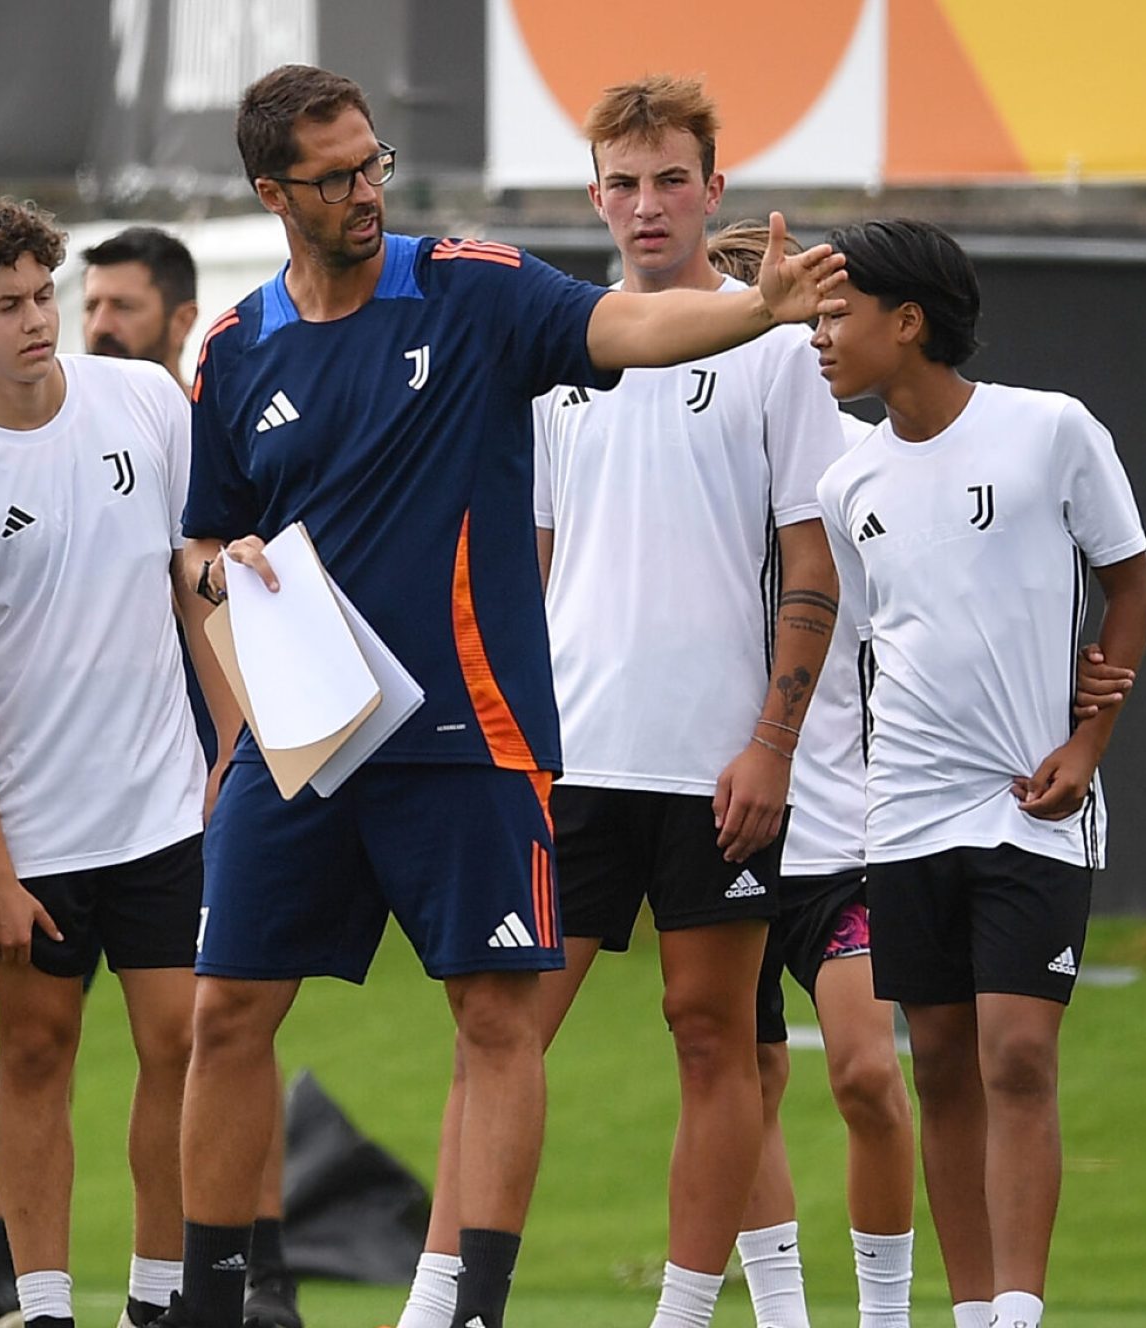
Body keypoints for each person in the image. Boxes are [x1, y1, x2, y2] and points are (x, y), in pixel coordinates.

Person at [176, 64, 846, 1328]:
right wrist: (218, 569)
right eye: (336, 176)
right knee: (224, 1014)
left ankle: (472, 1305)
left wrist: (752, 316)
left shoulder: (472, 288)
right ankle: (215, 1302)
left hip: (470, 738)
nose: (369, 190)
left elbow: (626, 328)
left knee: (499, 1021)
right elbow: (200, 542)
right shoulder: (231, 348)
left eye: (375, 161)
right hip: (306, 742)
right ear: (272, 192)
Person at [520, 76, 847, 1328]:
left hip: (722, 768)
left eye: (670, 179)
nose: (646, 204)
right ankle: (454, 1296)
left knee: (717, 1041)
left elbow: (811, 567)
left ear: (714, 187)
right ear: (593, 195)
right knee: (506, 1034)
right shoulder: (559, 351)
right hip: (570, 763)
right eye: (622, 181)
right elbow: (537, 569)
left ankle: (683, 1311)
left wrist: (772, 742)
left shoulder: (775, 351)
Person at [811, 218, 1146, 1328]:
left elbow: (1134, 589)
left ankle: (1018, 1306)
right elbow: (879, 649)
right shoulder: (845, 481)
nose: (820, 334)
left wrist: (1086, 740)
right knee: (945, 1064)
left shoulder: (1050, 431)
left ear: (907, 321)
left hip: (1031, 803)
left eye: (838, 311)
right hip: (903, 813)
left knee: (1018, 1050)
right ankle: (968, 1312)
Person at [0, 198, 234, 1328]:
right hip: (33, 832)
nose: (40, 319)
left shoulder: (144, 399)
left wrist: (230, 740)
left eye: (46, 292)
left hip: (163, 809)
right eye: (10, 305)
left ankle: (157, 1296)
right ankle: (44, 1302)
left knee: (182, 1042)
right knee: (36, 1054)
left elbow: (193, 572)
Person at [695, 219, 918, 1328]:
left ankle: (888, 1313)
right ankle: (783, 1315)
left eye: (808, 318)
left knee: (868, 1074)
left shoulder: (866, 462)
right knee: (744, 1080)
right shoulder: (674, 455)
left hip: (840, 821)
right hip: (718, 815)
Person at [80, 225, 203, 377]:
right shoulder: (55, 400)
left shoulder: (221, 400)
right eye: (91, 307)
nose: (99, 327)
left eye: (123, 307)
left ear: (182, 321)